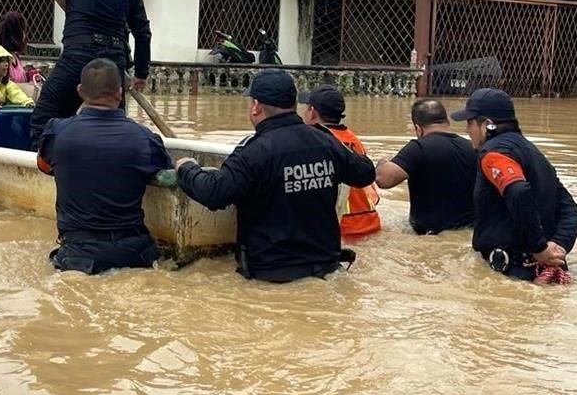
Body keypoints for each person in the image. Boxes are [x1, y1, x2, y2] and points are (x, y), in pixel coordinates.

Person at [175, 70, 376, 283]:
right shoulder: (326, 141)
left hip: (271, 276)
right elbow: (365, 173)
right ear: (293, 103)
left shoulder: (254, 151)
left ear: (256, 106)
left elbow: (214, 193)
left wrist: (187, 168)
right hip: (326, 269)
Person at [37, 59, 171, 275]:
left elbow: (43, 166)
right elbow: (164, 171)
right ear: (119, 93)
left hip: (78, 257)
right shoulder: (145, 139)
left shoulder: (57, 132)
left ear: (80, 91)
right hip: (136, 254)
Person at [26, 0, 152, 147]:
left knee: (47, 115)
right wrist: (141, 72)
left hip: (81, 52)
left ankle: (45, 164)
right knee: (112, 123)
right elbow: (142, 32)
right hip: (114, 60)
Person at [451, 88, 577, 283]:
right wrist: (557, 249)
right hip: (544, 274)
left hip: (509, 275)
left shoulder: (493, 154)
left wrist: (539, 248)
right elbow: (572, 212)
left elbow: (518, 192)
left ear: (487, 125)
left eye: (470, 122)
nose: (467, 130)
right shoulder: (535, 155)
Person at [375, 99, 476, 235]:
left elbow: (383, 179)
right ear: (447, 122)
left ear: (418, 129)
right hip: (470, 231)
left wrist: (381, 163)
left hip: (430, 235)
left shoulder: (418, 148)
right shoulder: (473, 147)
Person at [299, 84, 381, 237]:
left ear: (312, 112)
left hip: (341, 227)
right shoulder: (353, 139)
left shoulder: (311, 141)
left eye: (306, 107)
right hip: (370, 220)